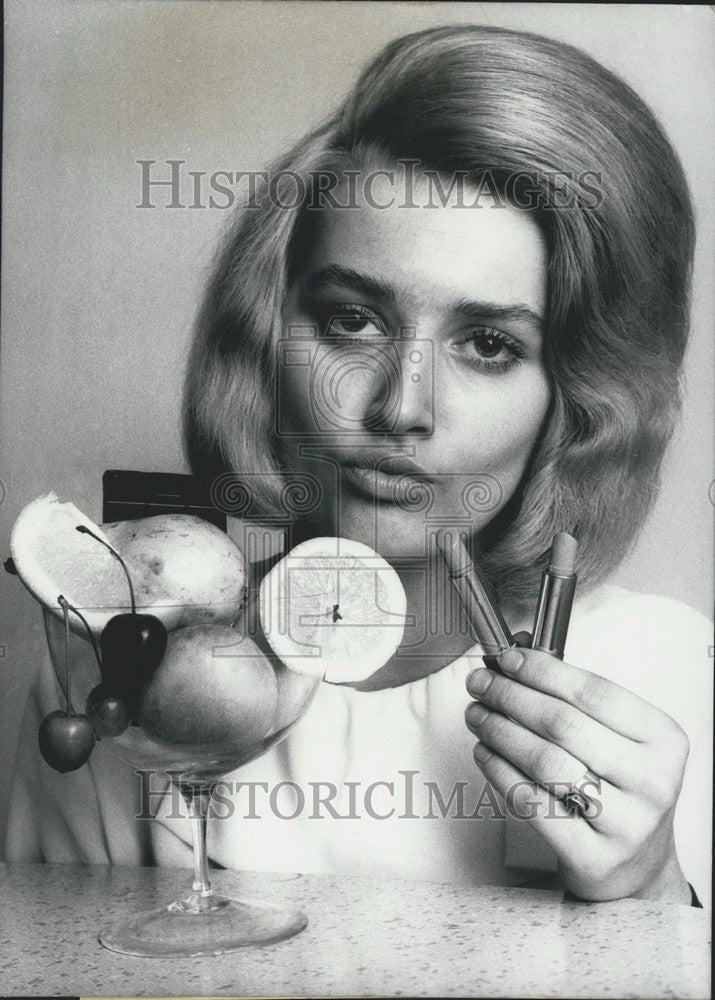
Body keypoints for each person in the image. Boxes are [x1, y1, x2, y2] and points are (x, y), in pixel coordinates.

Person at [6, 25, 711, 906]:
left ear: (577, 400)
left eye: (488, 344)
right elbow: (54, 959)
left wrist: (654, 892)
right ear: (266, 333)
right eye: (352, 321)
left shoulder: (660, 672)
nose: (399, 407)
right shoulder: (115, 664)